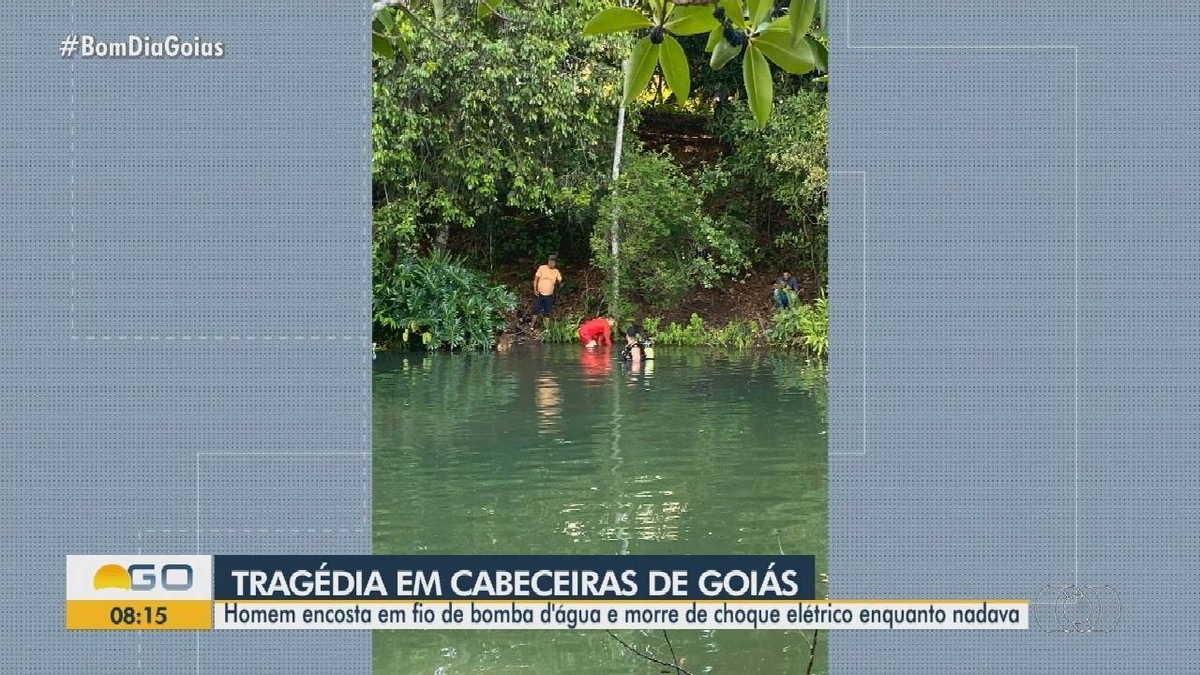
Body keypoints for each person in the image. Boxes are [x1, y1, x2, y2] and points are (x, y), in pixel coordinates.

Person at [531, 255, 563, 328]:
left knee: (547, 312)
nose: (551, 264)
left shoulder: (556, 271)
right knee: (535, 310)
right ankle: (532, 326)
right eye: (550, 262)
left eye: (553, 262)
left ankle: (547, 329)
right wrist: (535, 290)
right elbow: (535, 279)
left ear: (555, 263)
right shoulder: (542, 268)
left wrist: (560, 282)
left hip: (549, 295)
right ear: (548, 262)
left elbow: (560, 280)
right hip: (540, 294)